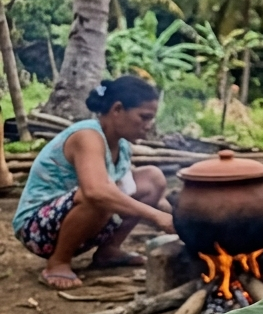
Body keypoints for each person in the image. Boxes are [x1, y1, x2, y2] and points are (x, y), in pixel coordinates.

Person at [12, 76, 175, 289]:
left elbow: (128, 189)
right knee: (98, 194)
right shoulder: (87, 136)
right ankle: (58, 263)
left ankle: (109, 251)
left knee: (152, 179)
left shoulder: (122, 146)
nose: (148, 126)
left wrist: (177, 217)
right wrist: (156, 216)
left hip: (78, 222)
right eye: (144, 117)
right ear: (117, 109)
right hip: (37, 230)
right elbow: (96, 192)